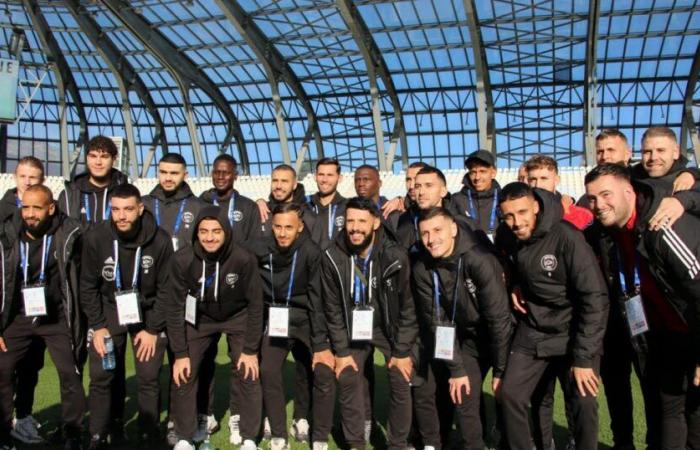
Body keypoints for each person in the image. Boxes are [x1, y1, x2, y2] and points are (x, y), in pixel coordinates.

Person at [585, 163, 700, 449]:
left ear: (628, 191)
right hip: (660, 335)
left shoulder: (664, 225)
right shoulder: (608, 231)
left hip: (691, 331)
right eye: (592, 198)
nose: (599, 205)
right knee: (668, 410)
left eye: (606, 195)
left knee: (694, 414)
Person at [496, 182, 608, 450]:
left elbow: (595, 298)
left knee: (583, 399)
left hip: (572, 328)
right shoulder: (505, 235)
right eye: (508, 215)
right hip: (533, 328)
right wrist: (514, 285)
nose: (516, 222)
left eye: (522, 212)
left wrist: (583, 358)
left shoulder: (566, 237)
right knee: (510, 395)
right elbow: (509, 265)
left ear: (535, 206)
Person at [80, 183, 172, 449]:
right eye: (116, 210)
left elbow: (167, 289)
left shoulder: (161, 239)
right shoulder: (96, 237)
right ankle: (100, 433)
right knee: (102, 376)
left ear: (140, 209)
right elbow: (87, 285)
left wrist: (153, 330)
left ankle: (147, 432)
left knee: (148, 377)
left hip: (148, 313)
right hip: (110, 311)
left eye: (128, 209)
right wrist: (97, 326)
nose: (121, 216)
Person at [412, 207, 512, 449]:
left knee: (508, 395)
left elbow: (499, 319)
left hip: (499, 336)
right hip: (464, 341)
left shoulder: (479, 260)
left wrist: (500, 372)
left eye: (437, 230)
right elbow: (437, 322)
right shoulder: (422, 268)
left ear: (454, 229)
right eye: (424, 233)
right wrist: (457, 370)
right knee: (464, 394)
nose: (431, 239)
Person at [322, 197, 418, 450]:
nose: (355, 227)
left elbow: (409, 308)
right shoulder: (332, 257)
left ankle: (397, 444)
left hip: (388, 328)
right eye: (350, 221)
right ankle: (356, 442)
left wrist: (402, 351)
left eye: (362, 221)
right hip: (352, 326)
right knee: (348, 376)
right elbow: (332, 309)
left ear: (375, 222)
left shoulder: (395, 256)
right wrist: (341, 353)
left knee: (400, 376)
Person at [167, 205, 263, 450]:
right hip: (200, 319)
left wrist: (250, 349)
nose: (210, 237)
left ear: (227, 232)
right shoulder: (182, 260)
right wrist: (179, 354)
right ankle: (185, 436)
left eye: (216, 231)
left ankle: (249, 436)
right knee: (184, 371)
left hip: (237, 316)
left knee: (248, 370)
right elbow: (175, 308)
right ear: (196, 233)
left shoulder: (244, 258)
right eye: (204, 231)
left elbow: (255, 305)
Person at [0, 185, 86, 450]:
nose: (30, 214)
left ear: (51, 208)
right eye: (26, 207)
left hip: (57, 318)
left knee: (70, 375)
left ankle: (72, 433)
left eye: (37, 207)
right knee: (2, 370)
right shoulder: (7, 234)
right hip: (18, 316)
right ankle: (5, 432)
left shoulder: (69, 233)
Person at [246, 203, 325, 450]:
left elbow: (317, 298)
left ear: (300, 227)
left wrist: (321, 342)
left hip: (304, 317)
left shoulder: (312, 252)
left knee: (315, 370)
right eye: (277, 227)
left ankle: (309, 425)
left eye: (288, 227)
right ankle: (279, 432)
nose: (282, 233)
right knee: (268, 369)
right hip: (276, 317)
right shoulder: (259, 247)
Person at [198, 154, 261, 443]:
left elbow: (251, 250)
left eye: (227, 172)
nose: (221, 176)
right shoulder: (200, 201)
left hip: (236, 297)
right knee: (204, 360)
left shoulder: (247, 207)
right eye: (217, 172)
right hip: (204, 297)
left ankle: (237, 417)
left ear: (236, 175)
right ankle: (205, 414)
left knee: (240, 363)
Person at [0, 156, 47, 445]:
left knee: (31, 367)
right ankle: (5, 425)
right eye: (23, 176)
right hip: (10, 308)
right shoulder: (3, 211)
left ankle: (24, 416)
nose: (28, 182)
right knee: (5, 370)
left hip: (38, 305)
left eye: (34, 177)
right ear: (15, 177)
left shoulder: (51, 213)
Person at [58, 136, 128, 228]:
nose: (98, 162)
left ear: (113, 160)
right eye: (93, 156)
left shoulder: (125, 192)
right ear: (87, 158)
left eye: (104, 157)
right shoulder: (69, 195)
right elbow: (62, 232)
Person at [451, 150, 501, 240]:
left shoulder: (503, 198)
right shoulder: (456, 200)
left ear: (493, 173)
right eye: (473, 172)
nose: (477, 177)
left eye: (482, 171)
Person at [305, 158, 347, 249]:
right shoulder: (304, 205)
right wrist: (265, 203)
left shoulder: (347, 207)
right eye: (321, 174)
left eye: (330, 175)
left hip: (336, 263)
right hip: (309, 262)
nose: (324, 180)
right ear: (315, 177)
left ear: (339, 178)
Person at [354, 165, 400, 232]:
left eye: (366, 179)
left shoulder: (394, 213)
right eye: (357, 180)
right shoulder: (346, 211)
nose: (361, 184)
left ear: (379, 183)